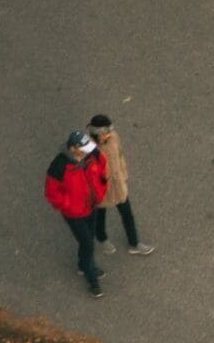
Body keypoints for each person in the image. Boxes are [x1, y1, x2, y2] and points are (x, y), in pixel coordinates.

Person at [43, 130, 112, 296]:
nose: (88, 151)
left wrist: (101, 189)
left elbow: (102, 167)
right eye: (84, 148)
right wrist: (68, 205)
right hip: (74, 214)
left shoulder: (92, 154)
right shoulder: (59, 166)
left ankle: (83, 266)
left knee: (87, 240)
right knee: (88, 243)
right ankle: (92, 279)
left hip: (91, 206)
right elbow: (52, 193)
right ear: (73, 148)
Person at [89, 112, 151, 255]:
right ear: (97, 134)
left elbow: (120, 155)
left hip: (118, 185)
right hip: (102, 190)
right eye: (106, 133)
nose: (109, 135)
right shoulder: (89, 150)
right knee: (100, 215)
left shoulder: (113, 137)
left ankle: (134, 243)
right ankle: (102, 237)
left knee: (127, 214)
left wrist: (124, 174)